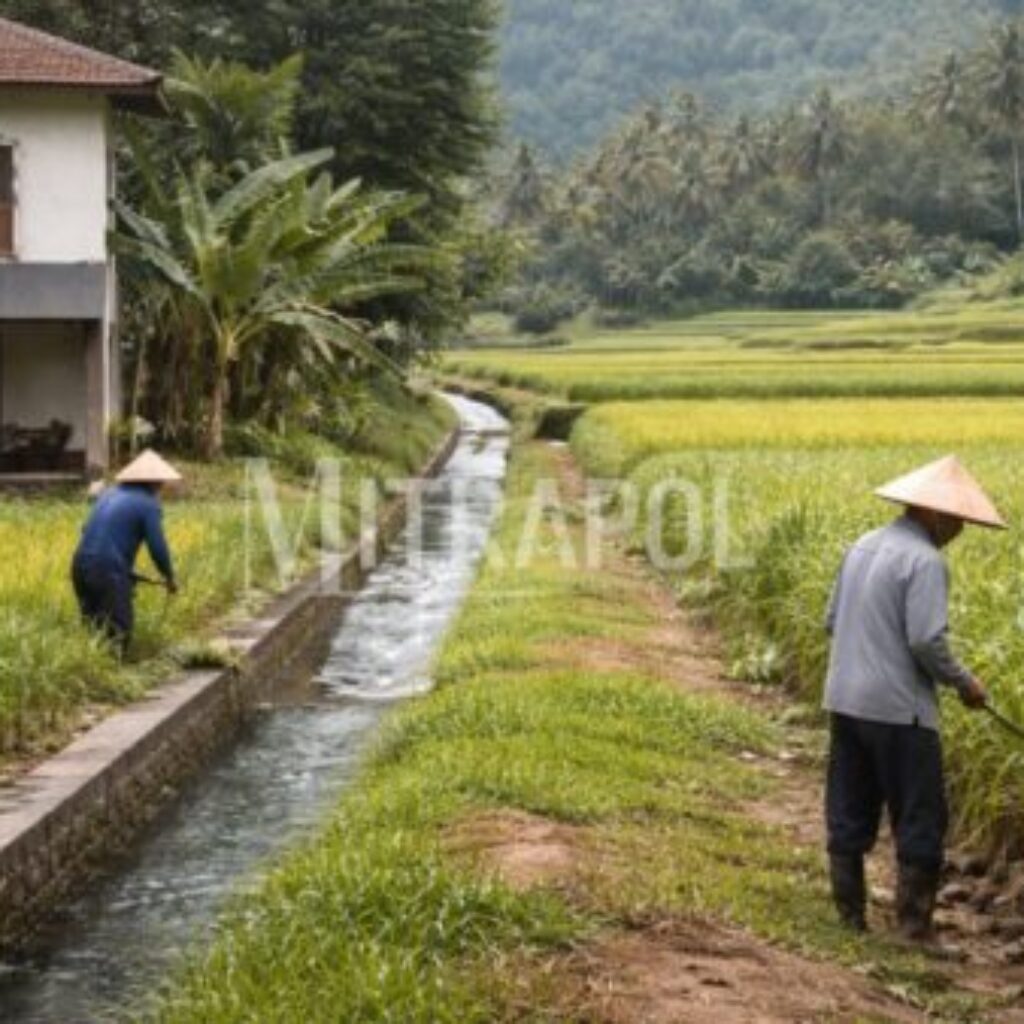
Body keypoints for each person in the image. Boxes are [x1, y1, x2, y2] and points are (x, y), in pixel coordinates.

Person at [823, 454, 1005, 942]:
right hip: (900, 712)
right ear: (936, 514)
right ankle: (913, 930)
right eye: (959, 521)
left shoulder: (861, 546)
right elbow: (926, 640)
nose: (960, 531)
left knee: (849, 806)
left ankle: (850, 919)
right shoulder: (925, 561)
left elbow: (831, 621)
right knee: (921, 815)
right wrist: (966, 683)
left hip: (844, 699)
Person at [71, 450, 182, 653]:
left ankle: (96, 676)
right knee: (119, 630)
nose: (162, 486)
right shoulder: (148, 505)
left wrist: (124, 570)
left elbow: (87, 531)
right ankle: (114, 675)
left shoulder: (108, 495)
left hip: (79, 564)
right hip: (106, 569)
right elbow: (157, 547)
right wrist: (169, 576)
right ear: (154, 482)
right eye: (161, 482)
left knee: (93, 627)